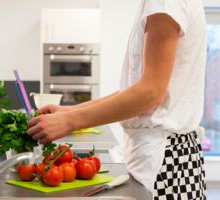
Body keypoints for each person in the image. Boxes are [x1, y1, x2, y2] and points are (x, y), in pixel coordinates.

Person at [27, 0, 207, 199]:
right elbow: (135, 89)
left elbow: (150, 93)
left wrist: (70, 121)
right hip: (167, 155)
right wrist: (69, 112)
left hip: (165, 161)